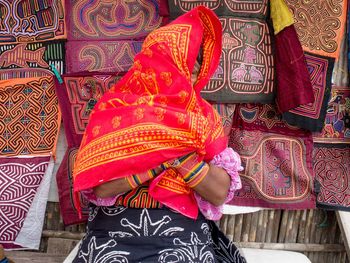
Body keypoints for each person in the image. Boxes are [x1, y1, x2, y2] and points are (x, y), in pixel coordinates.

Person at [72, 6, 246, 263]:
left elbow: (218, 193)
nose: (198, 69)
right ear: (166, 62)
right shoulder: (113, 109)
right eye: (190, 60)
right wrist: (160, 162)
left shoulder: (202, 116)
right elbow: (101, 188)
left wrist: (174, 156)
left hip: (181, 233)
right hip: (115, 232)